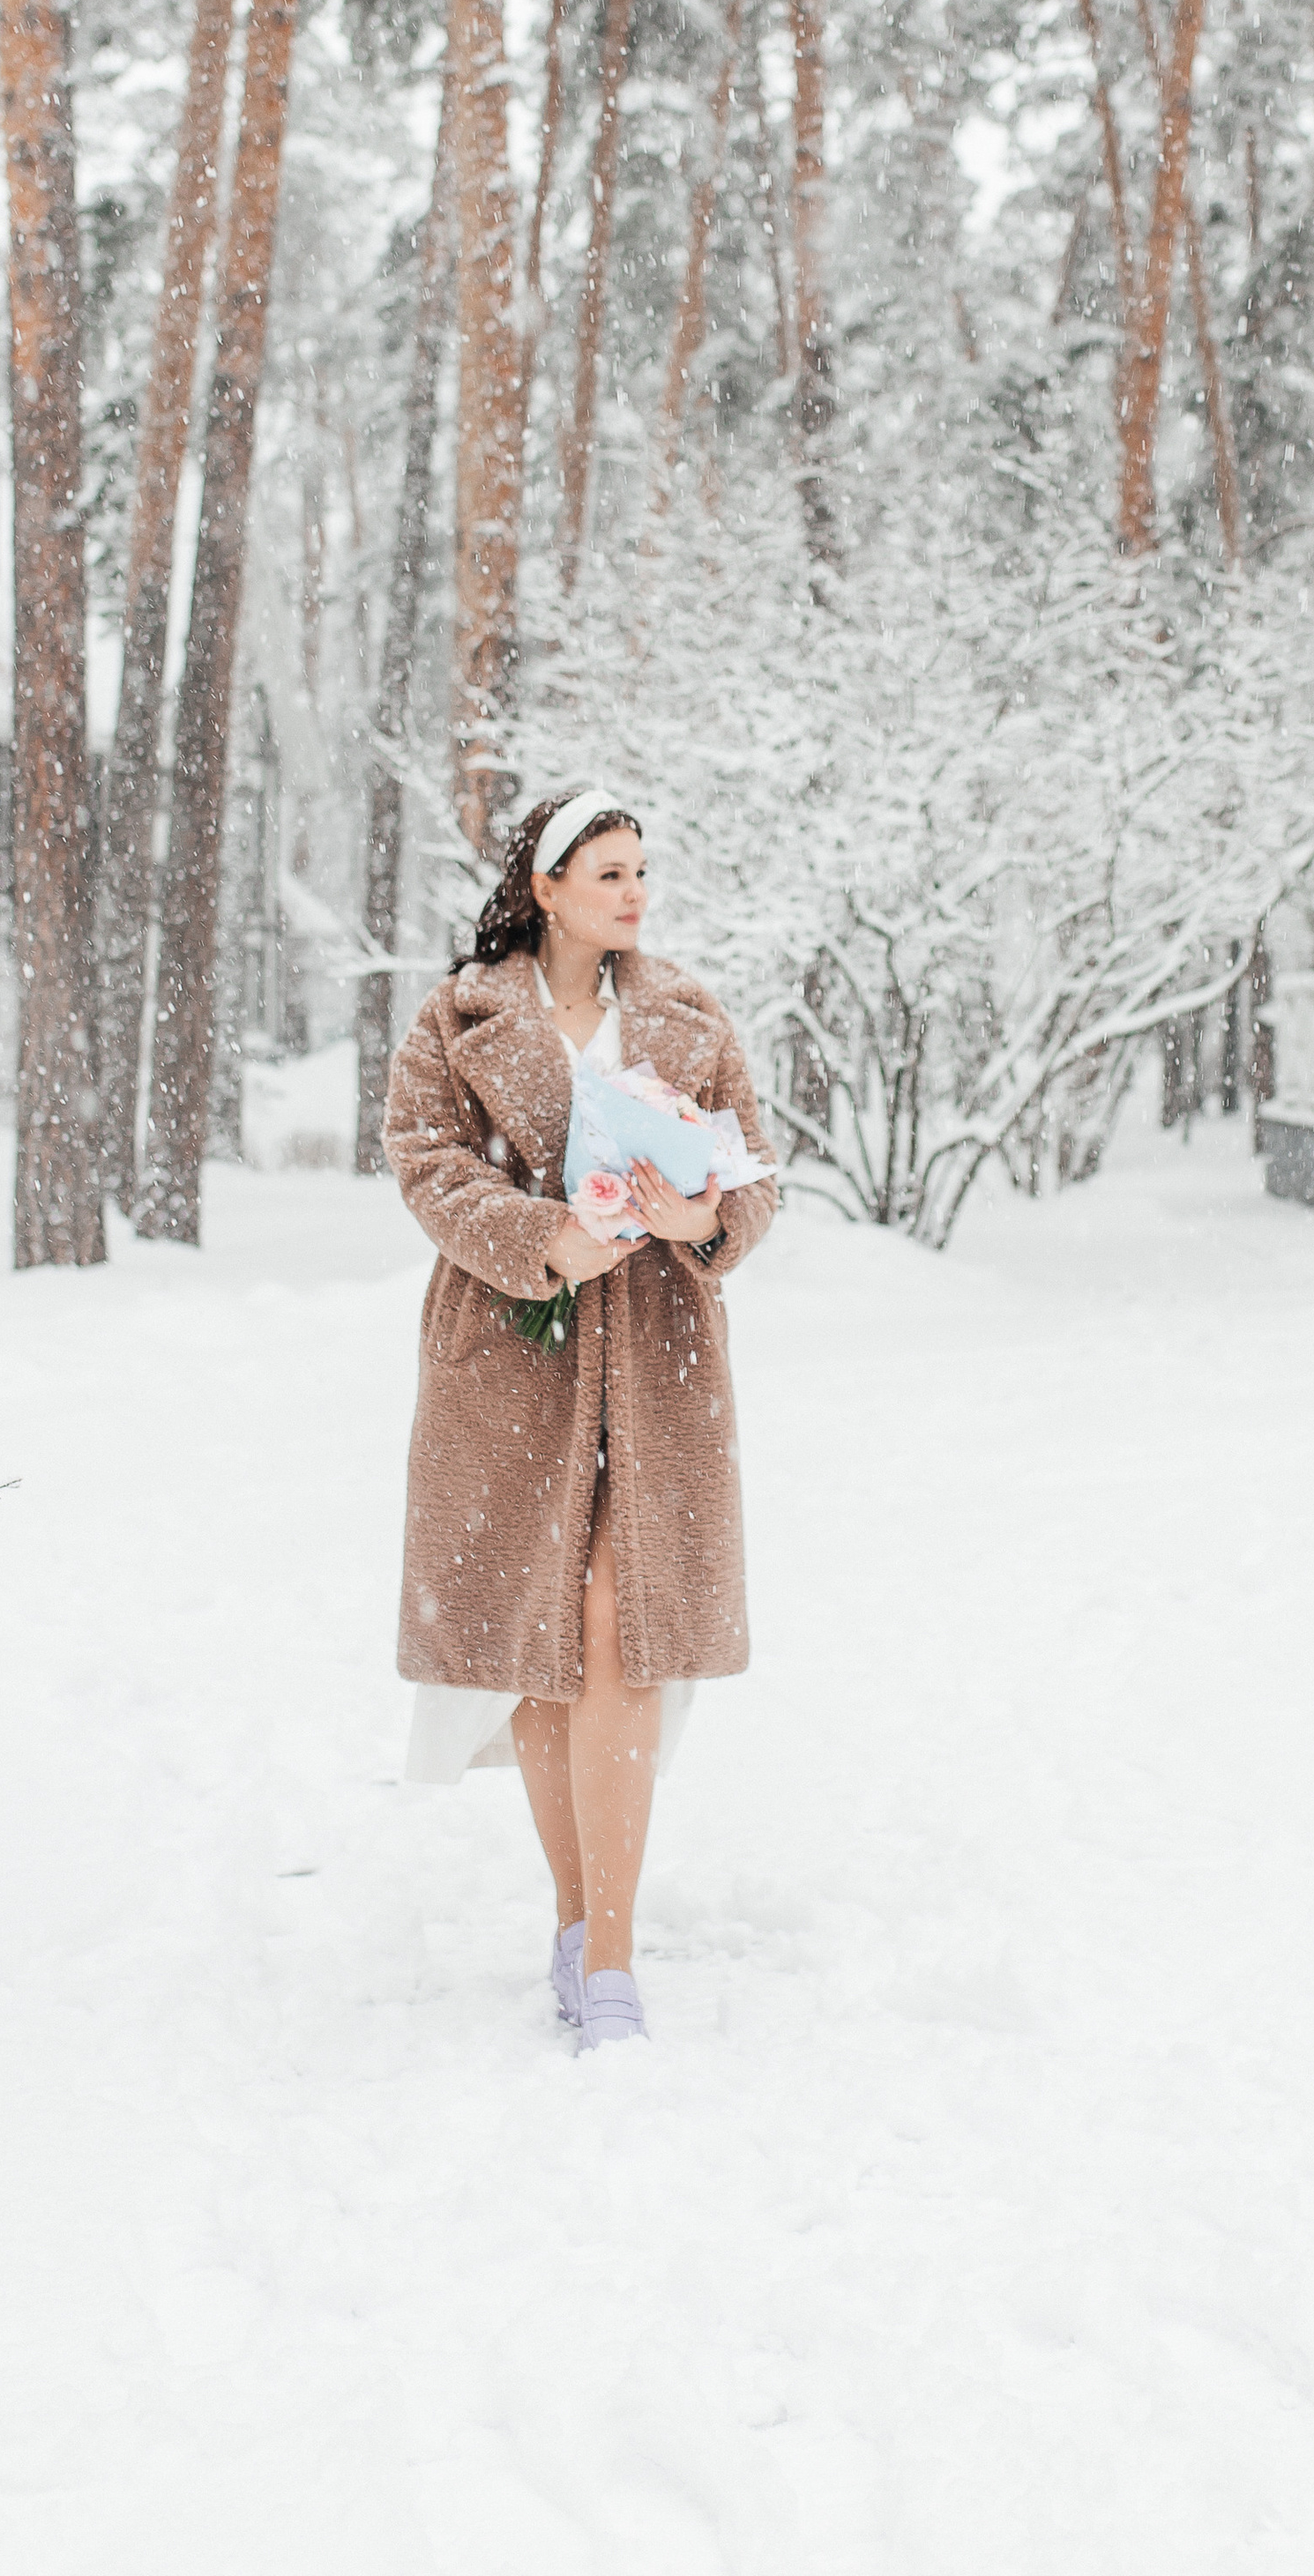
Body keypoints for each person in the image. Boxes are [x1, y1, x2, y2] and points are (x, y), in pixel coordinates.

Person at [383, 790, 778, 2050]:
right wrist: (543, 1235)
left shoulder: (689, 1018)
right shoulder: (459, 1020)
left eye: (642, 871)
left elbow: (755, 1176)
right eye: (609, 872)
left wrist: (699, 1221)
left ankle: (610, 1956)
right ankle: (577, 1916)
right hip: (512, 1354)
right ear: (544, 887)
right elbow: (424, 1164)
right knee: (541, 1640)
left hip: (661, 1354)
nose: (635, 893)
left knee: (617, 1625)